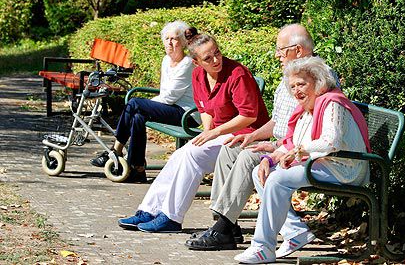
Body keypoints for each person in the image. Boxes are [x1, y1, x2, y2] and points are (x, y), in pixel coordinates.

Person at [186, 24, 338, 251]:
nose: (277, 54)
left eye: (281, 49)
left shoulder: (317, 77)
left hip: (297, 147)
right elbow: (277, 122)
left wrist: (273, 146)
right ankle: (227, 225)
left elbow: (308, 128)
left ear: (297, 50)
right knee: (231, 147)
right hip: (280, 141)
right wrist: (252, 136)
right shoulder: (291, 74)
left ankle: (223, 227)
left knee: (248, 158)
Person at [117, 30, 270, 232]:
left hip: (247, 135)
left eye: (217, 52)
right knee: (180, 154)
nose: (216, 59)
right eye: (208, 58)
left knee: (192, 155)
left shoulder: (237, 73)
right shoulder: (198, 75)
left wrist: (213, 134)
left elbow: (249, 116)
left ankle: (171, 217)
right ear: (197, 62)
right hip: (222, 134)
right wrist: (207, 132)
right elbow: (205, 108)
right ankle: (149, 210)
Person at [234, 56, 371, 263]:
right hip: (323, 163)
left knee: (278, 180)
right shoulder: (307, 109)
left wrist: (298, 151)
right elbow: (292, 144)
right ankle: (294, 232)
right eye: (293, 86)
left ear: (318, 82)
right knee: (261, 172)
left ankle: (263, 247)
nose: (296, 90)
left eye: (302, 84)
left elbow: (330, 142)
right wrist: (269, 159)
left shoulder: (332, 104)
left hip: (345, 168)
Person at [89, 20, 199, 183]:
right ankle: (137, 168)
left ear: (182, 42)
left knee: (135, 105)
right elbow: (164, 93)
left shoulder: (187, 64)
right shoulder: (166, 60)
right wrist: (145, 106)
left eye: (174, 38)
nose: (170, 42)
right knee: (138, 116)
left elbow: (169, 97)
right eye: (167, 38)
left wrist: (143, 104)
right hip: (170, 108)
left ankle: (115, 151)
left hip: (186, 114)